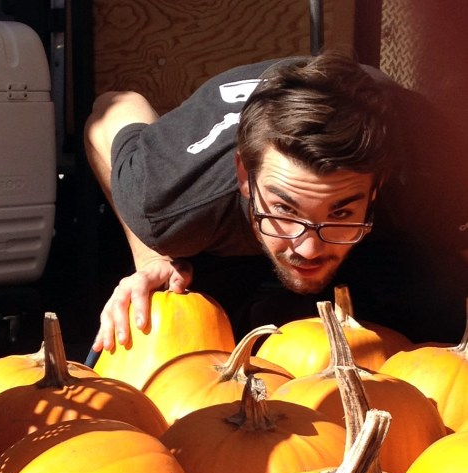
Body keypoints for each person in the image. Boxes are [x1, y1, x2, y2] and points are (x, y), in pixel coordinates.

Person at [84, 51, 468, 353]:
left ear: (377, 186)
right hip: (223, 229)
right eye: (285, 209)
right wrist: (153, 256)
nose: (309, 248)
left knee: (441, 300)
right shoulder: (166, 193)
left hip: (393, 215)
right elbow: (112, 107)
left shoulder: (438, 174)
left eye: (341, 211)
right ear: (243, 176)